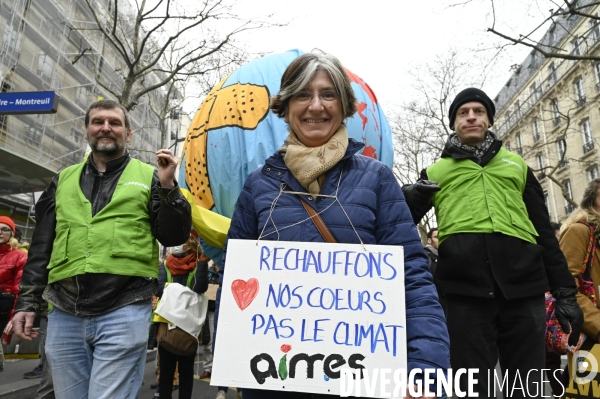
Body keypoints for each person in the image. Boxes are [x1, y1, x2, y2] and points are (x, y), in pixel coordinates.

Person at [215, 52, 449, 399]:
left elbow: (411, 276)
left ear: (344, 106)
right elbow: (233, 276)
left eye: (328, 94)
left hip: (362, 379)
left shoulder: (377, 179)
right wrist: (230, 357)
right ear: (286, 105)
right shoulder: (258, 185)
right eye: (302, 94)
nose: (316, 106)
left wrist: (426, 369)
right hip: (273, 380)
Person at [402, 87, 583, 398]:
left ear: (488, 119)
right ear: (454, 123)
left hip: (524, 291)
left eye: (479, 111)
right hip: (463, 296)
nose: (471, 116)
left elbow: (543, 232)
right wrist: (409, 200)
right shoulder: (435, 171)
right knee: (474, 389)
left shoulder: (518, 166)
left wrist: (566, 293)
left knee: (527, 387)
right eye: (463, 112)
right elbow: (402, 226)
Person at [11, 99, 192, 399]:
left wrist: (169, 187)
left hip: (124, 308)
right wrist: (27, 303)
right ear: (86, 132)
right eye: (98, 122)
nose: (106, 127)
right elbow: (41, 248)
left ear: (128, 134)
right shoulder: (63, 179)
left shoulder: (151, 177)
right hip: (65, 312)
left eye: (115, 122)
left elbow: (173, 234)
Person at [156, 233, 208, 399]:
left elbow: (199, 287)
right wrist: (183, 293)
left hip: (186, 325)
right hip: (169, 323)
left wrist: (201, 265)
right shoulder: (166, 264)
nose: (175, 246)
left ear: (189, 245)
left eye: (180, 242)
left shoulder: (198, 264)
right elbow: (159, 289)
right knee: (166, 371)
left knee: (185, 371)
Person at [559, 180, 600, 364]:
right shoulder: (579, 230)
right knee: (589, 391)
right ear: (593, 201)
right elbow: (566, 287)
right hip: (591, 333)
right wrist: (597, 326)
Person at [0, 216, 27, 372]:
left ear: (12, 233)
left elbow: (20, 289)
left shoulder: (19, 256)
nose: (0, 232)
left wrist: (14, 316)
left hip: (4, 308)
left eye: (5, 229)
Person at [424, 227, 445, 313]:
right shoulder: (425, 257)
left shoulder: (444, 257)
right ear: (429, 240)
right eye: (437, 237)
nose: (440, 240)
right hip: (432, 305)